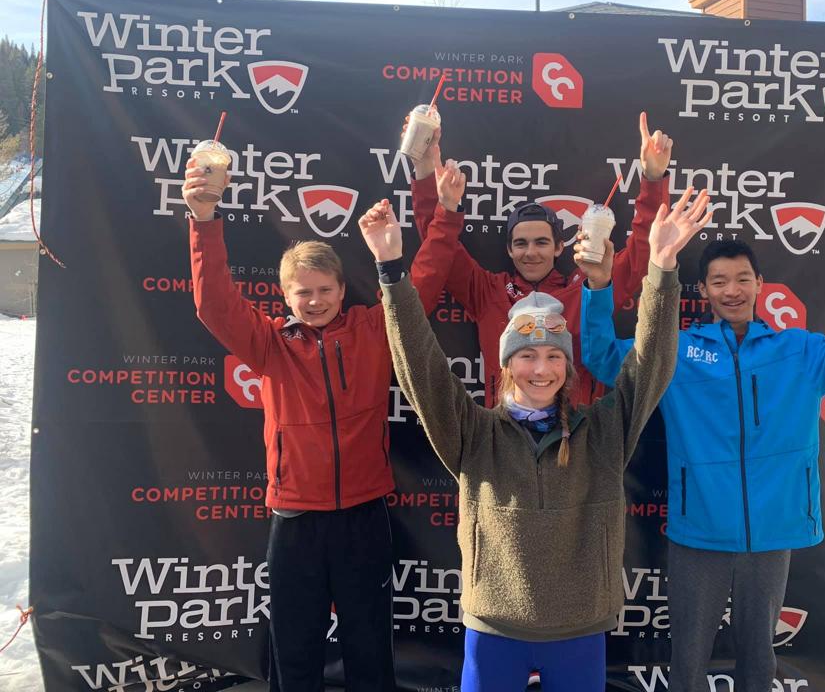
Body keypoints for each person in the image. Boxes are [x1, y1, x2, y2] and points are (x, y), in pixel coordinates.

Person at [579, 190, 825, 691]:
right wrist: (598, 285)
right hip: (699, 533)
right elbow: (604, 359)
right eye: (720, 281)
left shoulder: (799, 351)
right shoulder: (679, 353)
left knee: (759, 659)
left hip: (771, 535)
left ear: (760, 284)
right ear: (704, 289)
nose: (732, 290)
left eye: (743, 278)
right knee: (688, 659)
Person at [361, 179, 711, 692]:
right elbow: (421, 368)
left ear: (568, 366)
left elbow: (652, 363)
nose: (541, 369)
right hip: (493, 629)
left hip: (580, 628)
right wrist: (391, 271)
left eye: (553, 356)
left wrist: (662, 268)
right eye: (526, 355)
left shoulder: (602, 431)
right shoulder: (474, 433)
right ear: (506, 365)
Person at [183, 156, 466, 692]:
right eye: (303, 292)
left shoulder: (372, 329)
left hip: (364, 515)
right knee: (294, 648)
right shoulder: (270, 344)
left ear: (341, 289)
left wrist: (447, 213)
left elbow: (424, 283)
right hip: (295, 519)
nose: (315, 301)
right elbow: (214, 303)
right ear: (285, 296)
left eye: (325, 290)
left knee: (369, 646)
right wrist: (203, 220)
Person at [406, 112, 671, 406]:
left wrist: (653, 179)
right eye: (521, 243)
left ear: (559, 247)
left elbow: (643, 251)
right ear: (509, 250)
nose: (530, 252)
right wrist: (424, 170)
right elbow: (439, 245)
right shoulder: (488, 292)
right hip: (505, 430)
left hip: (575, 429)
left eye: (541, 242)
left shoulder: (590, 288)